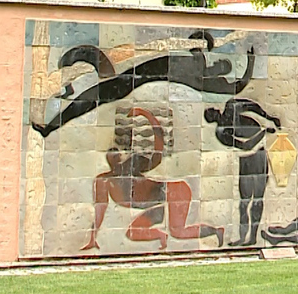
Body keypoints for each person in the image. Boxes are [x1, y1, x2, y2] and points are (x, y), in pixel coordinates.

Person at [84, 106, 222, 250]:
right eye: (112, 155)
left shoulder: (132, 166)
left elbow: (158, 152)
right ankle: (161, 236)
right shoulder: (103, 181)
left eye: (118, 155)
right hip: (157, 206)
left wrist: (147, 115)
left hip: (175, 192)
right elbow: (100, 210)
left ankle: (216, 231)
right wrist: (93, 237)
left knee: (178, 232)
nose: (117, 157)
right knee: (133, 233)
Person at [204, 98, 281, 246]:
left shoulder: (231, 106)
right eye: (211, 113)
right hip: (247, 160)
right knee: (244, 202)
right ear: (212, 119)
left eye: (212, 109)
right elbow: (245, 146)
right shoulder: (222, 132)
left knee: (257, 199)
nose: (214, 110)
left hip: (259, 156)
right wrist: (264, 132)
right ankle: (243, 237)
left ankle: (252, 237)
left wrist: (269, 118)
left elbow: (253, 107)